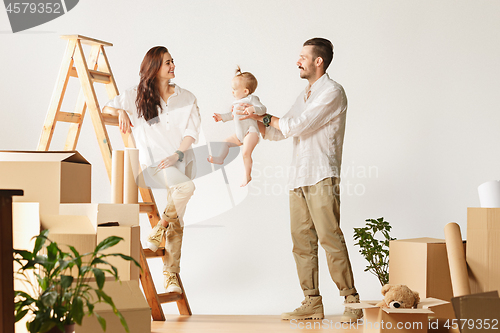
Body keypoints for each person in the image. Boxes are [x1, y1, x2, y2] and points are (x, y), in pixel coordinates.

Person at [237, 38, 362, 322]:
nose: (298, 61)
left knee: (330, 237)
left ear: (319, 61)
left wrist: (265, 116)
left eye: (303, 57)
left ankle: (351, 301)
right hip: (298, 177)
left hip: (321, 175)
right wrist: (253, 117)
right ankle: (312, 302)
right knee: (301, 242)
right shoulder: (303, 95)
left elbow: (296, 125)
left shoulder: (332, 92)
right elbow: (279, 132)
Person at [103, 46, 201, 294]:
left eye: (173, 61)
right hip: (154, 163)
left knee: (177, 220)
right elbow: (105, 109)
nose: (173, 66)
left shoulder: (187, 97)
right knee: (185, 189)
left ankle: (170, 274)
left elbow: (192, 132)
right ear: (154, 67)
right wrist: (122, 111)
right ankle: (160, 230)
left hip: (181, 160)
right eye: (168, 62)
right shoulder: (136, 95)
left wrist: (177, 154)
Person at [208, 67, 266, 187]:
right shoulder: (235, 103)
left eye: (234, 89)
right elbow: (232, 115)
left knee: (246, 153)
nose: (232, 92)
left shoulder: (251, 99)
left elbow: (263, 109)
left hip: (251, 132)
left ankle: (247, 175)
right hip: (240, 135)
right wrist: (222, 117)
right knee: (225, 142)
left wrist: (253, 109)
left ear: (245, 91)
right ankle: (220, 158)